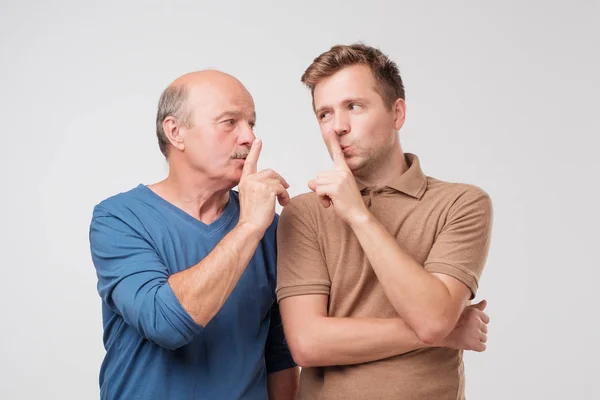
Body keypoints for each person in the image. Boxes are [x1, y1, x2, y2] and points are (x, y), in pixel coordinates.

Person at [276, 43, 493, 399]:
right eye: (325, 114)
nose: (339, 127)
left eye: (354, 107)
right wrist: (449, 331)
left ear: (398, 113)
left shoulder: (461, 203)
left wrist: (359, 215)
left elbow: (432, 318)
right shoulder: (304, 213)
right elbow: (307, 343)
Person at [89, 70, 299, 400]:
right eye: (230, 122)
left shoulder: (268, 227)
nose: (249, 138)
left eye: (251, 124)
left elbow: (279, 354)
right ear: (176, 132)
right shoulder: (118, 219)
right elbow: (165, 323)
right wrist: (247, 228)